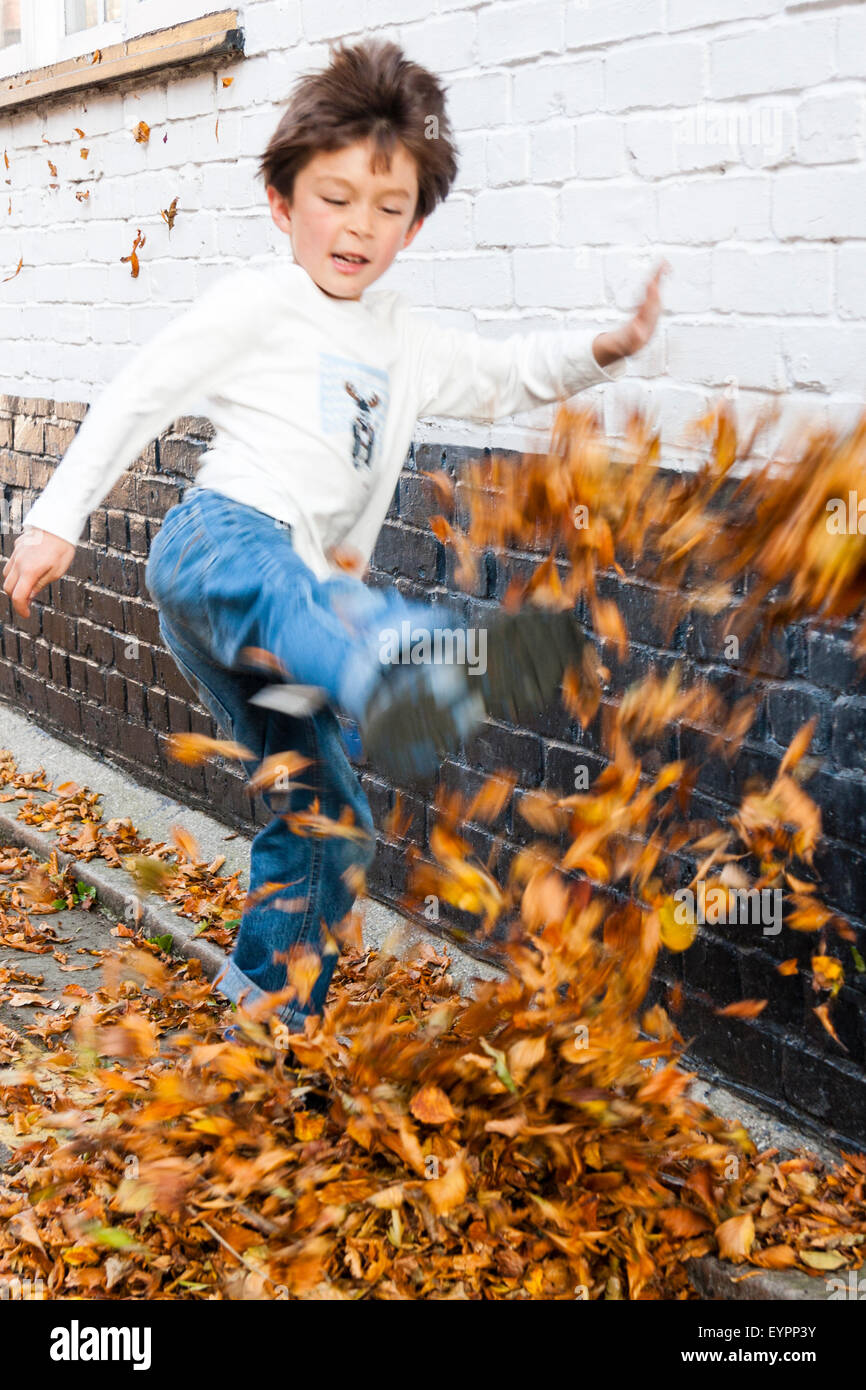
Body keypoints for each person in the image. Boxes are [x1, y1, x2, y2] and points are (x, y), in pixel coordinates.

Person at [2, 39, 666, 1033]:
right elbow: (139, 390)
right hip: (219, 553)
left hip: (294, 625)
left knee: (327, 820)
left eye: (386, 208)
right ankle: (407, 665)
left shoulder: (404, 339)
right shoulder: (259, 304)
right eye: (334, 197)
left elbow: (504, 372)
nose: (358, 225)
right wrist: (56, 519)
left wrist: (600, 351)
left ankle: (262, 1029)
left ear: (415, 224)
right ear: (283, 202)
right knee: (310, 599)